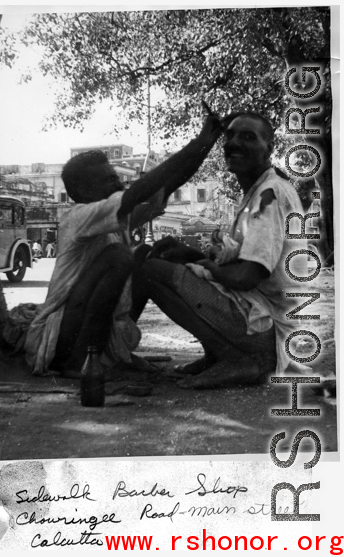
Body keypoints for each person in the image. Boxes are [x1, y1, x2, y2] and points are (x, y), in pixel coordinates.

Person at [24, 112, 223, 377]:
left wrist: (206, 143)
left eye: (116, 177)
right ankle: (79, 364)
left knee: (146, 255)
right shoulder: (78, 216)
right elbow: (139, 191)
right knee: (119, 256)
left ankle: (112, 353)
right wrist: (197, 141)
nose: (118, 183)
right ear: (84, 191)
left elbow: (167, 183)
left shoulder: (115, 219)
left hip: (89, 328)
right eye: (109, 179)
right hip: (59, 337)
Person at [132, 112, 308, 389]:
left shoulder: (269, 194)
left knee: (152, 271)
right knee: (161, 263)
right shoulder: (258, 191)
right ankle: (217, 354)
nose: (234, 143)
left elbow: (245, 277)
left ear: (270, 147)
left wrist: (209, 267)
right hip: (264, 318)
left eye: (248, 137)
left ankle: (240, 359)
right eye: (230, 136)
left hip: (269, 328)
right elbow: (240, 264)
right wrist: (189, 254)